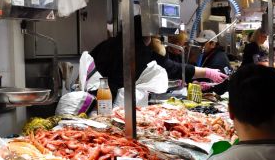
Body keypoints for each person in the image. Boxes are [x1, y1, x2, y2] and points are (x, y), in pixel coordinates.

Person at [89, 15, 227, 99]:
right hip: (116, 101)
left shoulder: (106, 44)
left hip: (94, 96)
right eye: (151, 36)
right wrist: (205, 72)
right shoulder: (138, 51)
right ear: (144, 35)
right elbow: (170, 68)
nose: (152, 39)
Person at [193, 29, 231, 95]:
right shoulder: (213, 54)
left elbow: (213, 86)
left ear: (212, 44)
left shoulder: (217, 61)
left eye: (203, 44)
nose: (200, 47)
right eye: (199, 44)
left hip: (217, 96)